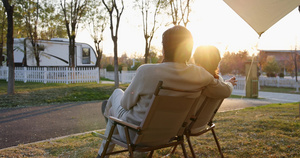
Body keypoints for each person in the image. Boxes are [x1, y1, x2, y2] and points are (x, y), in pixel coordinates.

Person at [97, 26, 236, 158]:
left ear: (164, 49)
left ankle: (108, 118)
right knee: (115, 118)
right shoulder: (200, 75)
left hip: (134, 133)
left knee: (116, 95)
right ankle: (110, 120)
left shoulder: (146, 71)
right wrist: (229, 83)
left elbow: (126, 104)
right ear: (189, 50)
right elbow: (224, 89)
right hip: (169, 134)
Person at [191, 45, 236, 132]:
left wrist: (227, 83)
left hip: (184, 125)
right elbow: (225, 89)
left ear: (196, 59)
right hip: (200, 124)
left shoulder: (194, 78)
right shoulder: (218, 81)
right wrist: (228, 83)